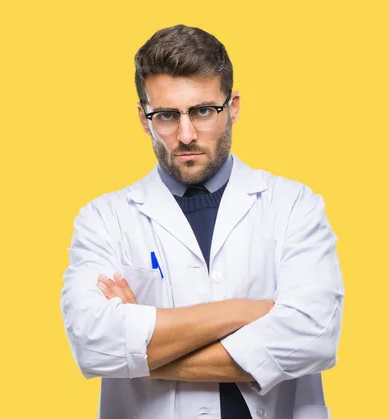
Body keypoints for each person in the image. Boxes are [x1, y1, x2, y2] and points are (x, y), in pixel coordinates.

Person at [60, 24, 344, 419]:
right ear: (144, 119)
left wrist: (143, 351)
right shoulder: (103, 220)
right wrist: (246, 311)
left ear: (234, 106)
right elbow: (93, 345)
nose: (186, 134)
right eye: (166, 115)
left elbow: (314, 337)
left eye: (203, 111)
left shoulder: (294, 206)